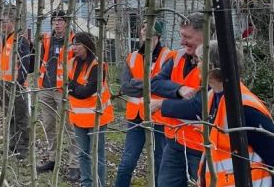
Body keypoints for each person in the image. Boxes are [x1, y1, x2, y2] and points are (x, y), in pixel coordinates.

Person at [151, 41, 274, 186]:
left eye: (199, 60)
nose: (195, 63)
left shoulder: (245, 108)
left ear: (212, 68)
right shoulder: (212, 98)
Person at [126, 12, 210, 186]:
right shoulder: (178, 57)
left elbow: (199, 106)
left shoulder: (214, 63)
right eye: (182, 36)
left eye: (187, 37)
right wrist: (179, 89)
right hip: (174, 141)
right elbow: (155, 82)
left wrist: (163, 104)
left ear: (205, 35)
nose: (182, 42)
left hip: (202, 147)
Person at [115, 20, 172, 186]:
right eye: (143, 29)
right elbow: (125, 87)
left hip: (159, 117)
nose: (145, 33)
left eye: (150, 30)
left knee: (159, 162)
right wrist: (151, 83)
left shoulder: (169, 57)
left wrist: (140, 82)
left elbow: (167, 88)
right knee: (127, 162)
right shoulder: (132, 57)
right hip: (136, 118)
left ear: (158, 35)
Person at [35, 10, 79, 181]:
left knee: (70, 128)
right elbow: (40, 60)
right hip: (46, 88)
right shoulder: (46, 39)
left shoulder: (74, 41)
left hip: (64, 90)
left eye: (61, 20)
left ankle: (74, 164)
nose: (58, 23)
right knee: (48, 125)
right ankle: (53, 159)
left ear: (66, 23)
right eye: (55, 20)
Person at [67, 32, 114, 187]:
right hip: (78, 117)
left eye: (77, 44)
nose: (74, 48)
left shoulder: (97, 65)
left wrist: (75, 89)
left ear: (86, 45)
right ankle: (87, 183)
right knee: (83, 154)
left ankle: (99, 183)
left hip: (97, 117)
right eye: (73, 44)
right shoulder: (72, 63)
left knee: (97, 155)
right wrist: (76, 88)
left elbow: (88, 91)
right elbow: (69, 86)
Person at [0, 5, 31, 159]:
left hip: (17, 86)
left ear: (12, 22)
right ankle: (13, 144)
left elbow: (25, 65)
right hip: (5, 84)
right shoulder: (5, 39)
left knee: (21, 117)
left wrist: (18, 83)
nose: (2, 25)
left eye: (4, 22)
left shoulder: (20, 40)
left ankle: (23, 147)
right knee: (10, 116)